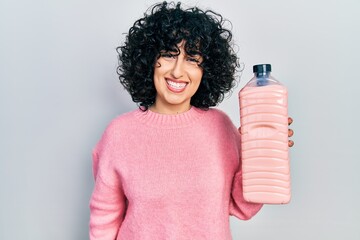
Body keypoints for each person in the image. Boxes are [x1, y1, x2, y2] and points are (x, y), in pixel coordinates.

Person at [89, 2, 294, 239]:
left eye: (192, 58)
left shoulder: (220, 127)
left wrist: (264, 154)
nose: (178, 71)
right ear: (147, 60)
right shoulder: (119, 133)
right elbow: (104, 219)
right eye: (168, 55)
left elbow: (243, 205)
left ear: (206, 69)